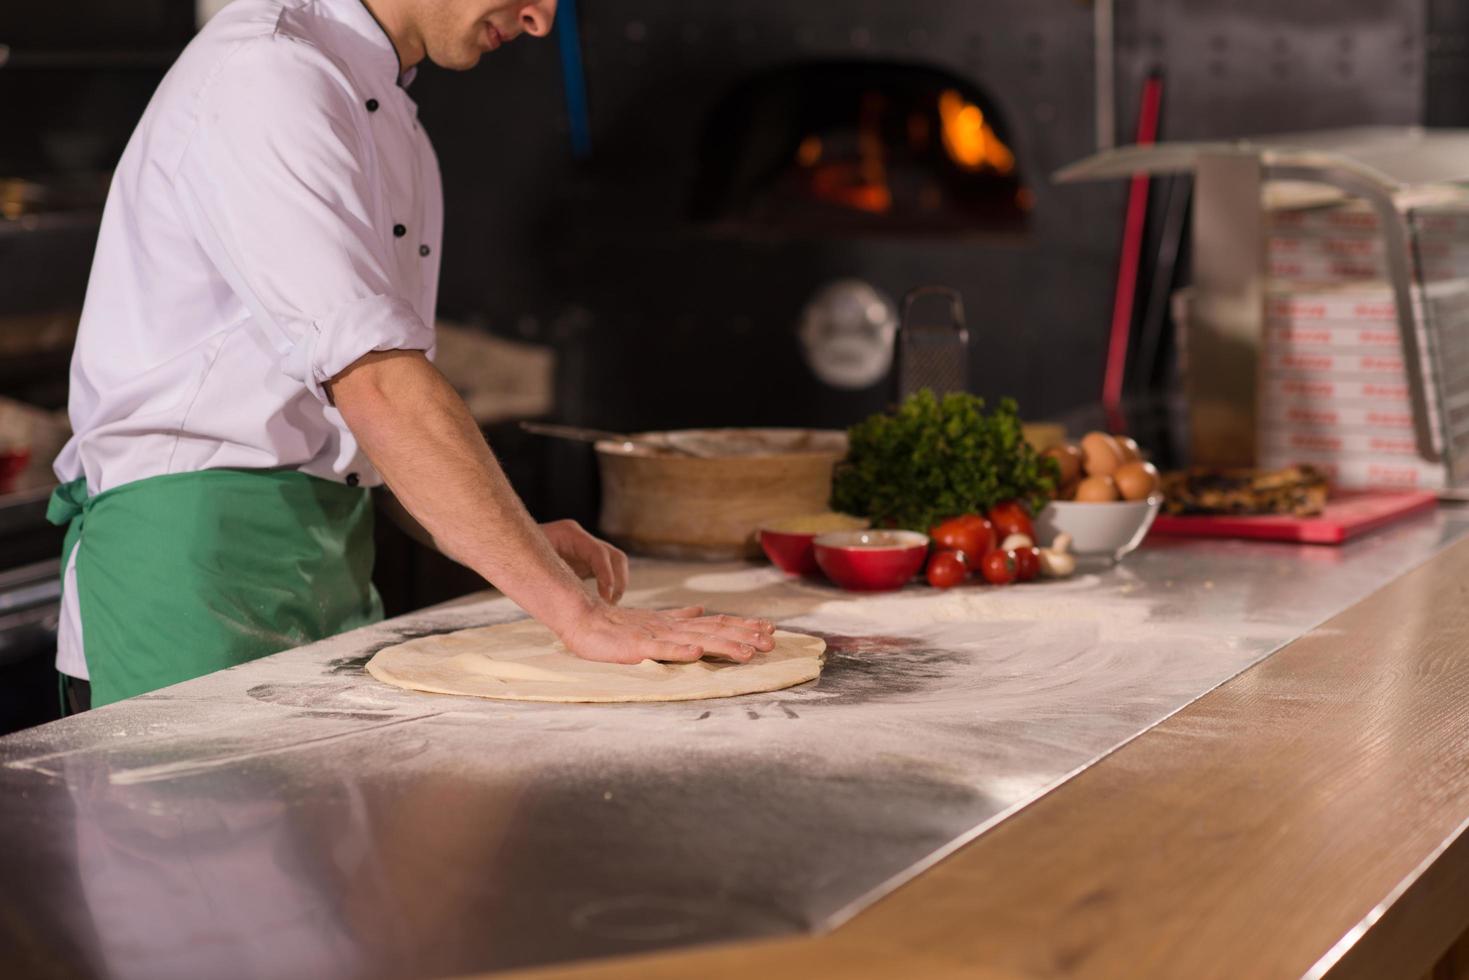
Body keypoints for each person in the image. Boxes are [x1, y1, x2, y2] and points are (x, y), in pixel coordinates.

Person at [51, 0, 773, 710]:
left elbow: (361, 417)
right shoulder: (266, 75)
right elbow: (380, 387)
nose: (541, 21)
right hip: (189, 569)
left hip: (329, 557)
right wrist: (573, 613)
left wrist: (511, 541)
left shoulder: (391, 118)